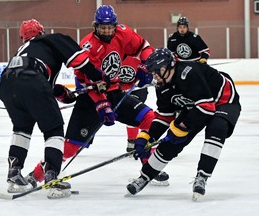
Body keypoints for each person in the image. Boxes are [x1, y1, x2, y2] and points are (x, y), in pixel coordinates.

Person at [26, 5, 169, 187]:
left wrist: (148, 66)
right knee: (71, 147)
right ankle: (36, 175)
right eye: (102, 27)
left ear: (115, 25)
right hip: (91, 99)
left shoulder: (123, 33)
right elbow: (87, 81)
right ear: (95, 26)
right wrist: (102, 105)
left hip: (115, 93)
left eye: (110, 27)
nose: (107, 30)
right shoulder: (88, 46)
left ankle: (149, 167)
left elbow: (143, 47)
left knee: (150, 119)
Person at [0, 18, 108, 199]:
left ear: (23, 37)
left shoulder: (23, 50)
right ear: (42, 32)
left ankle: (14, 175)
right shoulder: (51, 39)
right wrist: (98, 76)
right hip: (32, 81)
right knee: (54, 129)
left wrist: (61, 93)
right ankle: (52, 177)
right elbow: (79, 60)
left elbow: (38, 80)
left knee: (22, 127)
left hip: (7, 83)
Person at [126, 48, 241, 201]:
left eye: (155, 72)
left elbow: (206, 108)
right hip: (197, 104)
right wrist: (148, 135)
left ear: (164, 68)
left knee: (216, 128)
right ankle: (145, 177)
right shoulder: (163, 85)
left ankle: (202, 176)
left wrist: (181, 127)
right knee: (172, 142)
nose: (154, 77)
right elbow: (165, 115)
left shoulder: (189, 73)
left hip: (223, 100)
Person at [118, 56, 150, 152]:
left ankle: (134, 141)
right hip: (119, 90)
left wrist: (146, 76)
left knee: (133, 113)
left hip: (138, 90)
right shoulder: (116, 53)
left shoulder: (139, 53)